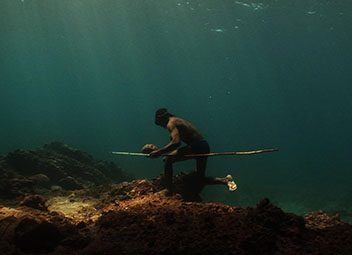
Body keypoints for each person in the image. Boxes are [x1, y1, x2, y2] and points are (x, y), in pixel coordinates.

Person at [148, 108, 237, 196]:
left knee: (168, 160)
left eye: (159, 123)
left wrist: (158, 152)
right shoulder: (176, 120)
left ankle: (169, 190)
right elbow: (173, 143)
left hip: (196, 147)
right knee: (200, 178)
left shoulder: (170, 124)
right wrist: (160, 152)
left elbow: (176, 143)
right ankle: (225, 180)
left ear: (162, 118)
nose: (161, 126)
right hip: (203, 146)